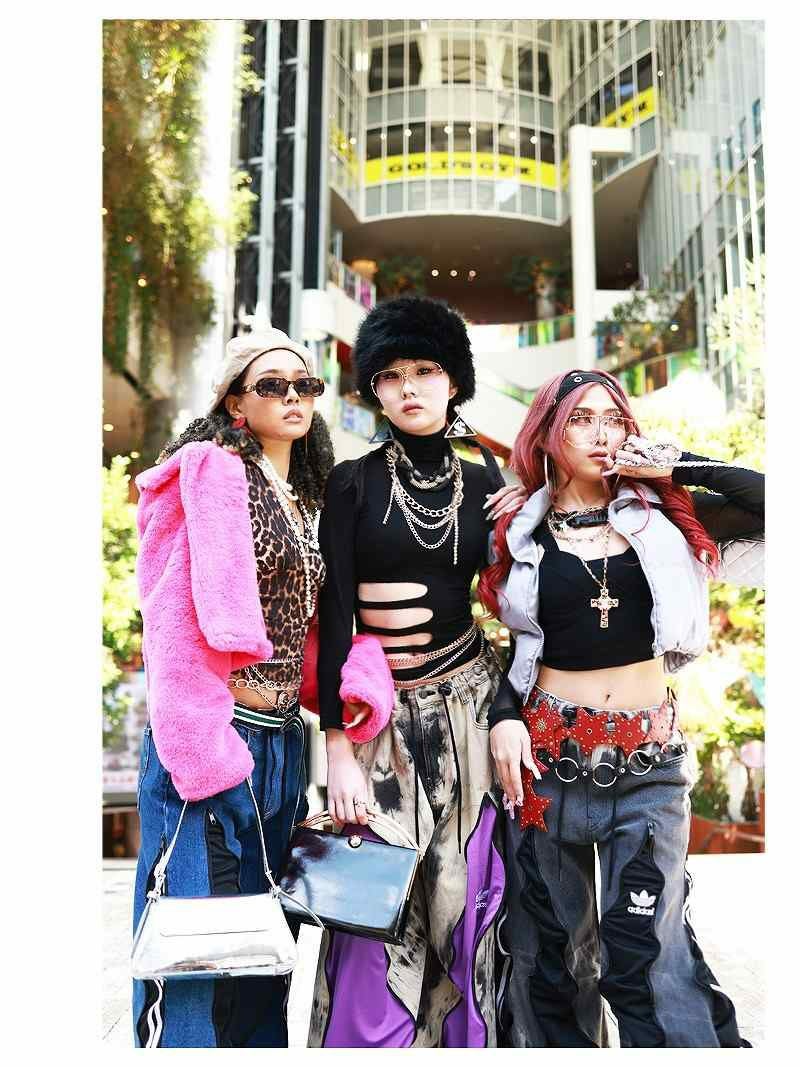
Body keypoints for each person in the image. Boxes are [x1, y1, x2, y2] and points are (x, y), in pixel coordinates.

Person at [478, 368, 763, 1048]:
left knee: (647, 957)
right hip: (544, 765)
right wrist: (503, 716)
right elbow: (514, 646)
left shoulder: (671, 516)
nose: (601, 433)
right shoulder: (518, 528)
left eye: (613, 418)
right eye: (581, 418)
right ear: (549, 431)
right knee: (550, 960)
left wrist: (673, 465)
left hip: (647, 767)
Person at [132, 329, 384, 1047]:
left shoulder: (305, 497)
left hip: (280, 742)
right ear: (236, 403)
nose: (293, 396)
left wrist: (352, 691)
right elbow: (170, 613)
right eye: (272, 385)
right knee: (198, 947)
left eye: (306, 385)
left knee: (261, 949)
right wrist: (202, 749)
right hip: (216, 733)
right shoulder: (210, 473)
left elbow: (312, 624)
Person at [308, 296, 526, 1048]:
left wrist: (508, 710)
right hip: (379, 722)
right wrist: (338, 750)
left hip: (470, 709)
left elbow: (517, 609)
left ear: (453, 380)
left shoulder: (490, 484)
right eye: (391, 375)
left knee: (469, 899)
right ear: (373, 387)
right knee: (376, 905)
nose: (409, 387)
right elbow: (335, 615)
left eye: (425, 371)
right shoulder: (351, 483)